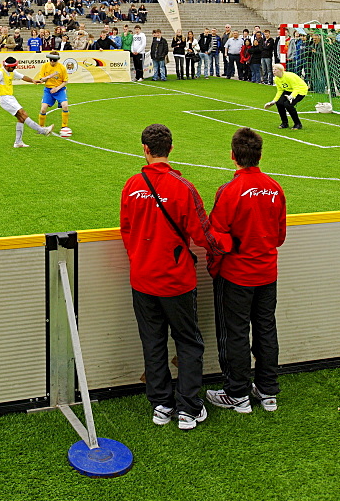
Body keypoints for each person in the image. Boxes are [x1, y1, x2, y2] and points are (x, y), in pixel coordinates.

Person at [120, 123, 231, 431]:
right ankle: (188, 408)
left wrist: (140, 258)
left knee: (152, 341)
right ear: (170, 149)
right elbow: (204, 234)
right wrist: (228, 245)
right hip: (176, 281)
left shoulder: (132, 185)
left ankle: (161, 404)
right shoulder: (183, 187)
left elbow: (126, 230)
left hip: (143, 279)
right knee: (188, 341)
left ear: (144, 149)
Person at [206, 128, 286, 414]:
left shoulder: (229, 191)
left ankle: (237, 393)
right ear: (260, 155)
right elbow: (279, 236)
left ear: (232, 155)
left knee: (235, 332)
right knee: (266, 328)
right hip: (267, 273)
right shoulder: (275, 188)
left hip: (237, 275)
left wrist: (219, 261)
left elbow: (217, 237)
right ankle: (267, 391)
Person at [0, 56, 54, 148]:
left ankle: (18, 142)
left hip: (10, 98)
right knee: (23, 113)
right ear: (7, 66)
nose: (15, 68)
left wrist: (33, 80)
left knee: (21, 118)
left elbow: (22, 77)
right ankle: (43, 131)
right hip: (5, 99)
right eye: (13, 67)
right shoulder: (0, 73)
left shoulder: (11, 71)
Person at [35, 51, 70, 133]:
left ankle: (64, 127)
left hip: (59, 90)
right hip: (48, 90)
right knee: (43, 109)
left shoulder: (62, 68)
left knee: (65, 106)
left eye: (54, 60)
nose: (52, 62)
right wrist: (49, 76)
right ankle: (41, 128)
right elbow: (41, 80)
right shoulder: (45, 66)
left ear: (57, 60)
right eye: (51, 60)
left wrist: (57, 88)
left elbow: (65, 81)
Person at [264, 64, 308, 128]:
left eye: (275, 69)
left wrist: (291, 96)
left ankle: (298, 124)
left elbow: (296, 88)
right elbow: (280, 90)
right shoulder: (276, 79)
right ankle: (284, 123)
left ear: (281, 70)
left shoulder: (289, 77)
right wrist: (273, 101)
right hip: (289, 90)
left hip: (300, 90)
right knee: (279, 103)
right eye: (273, 69)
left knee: (288, 105)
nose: (274, 71)